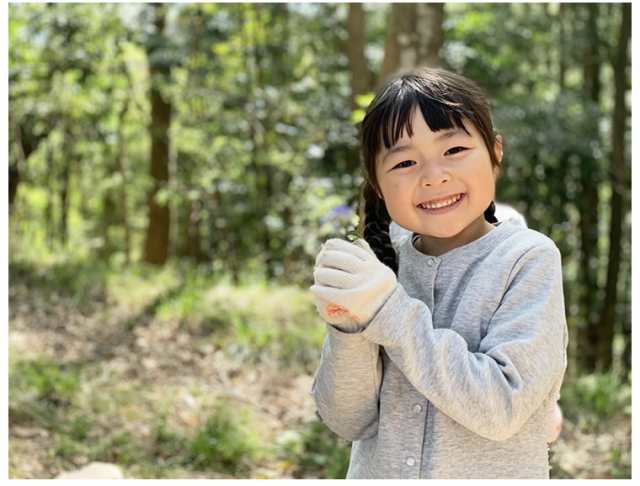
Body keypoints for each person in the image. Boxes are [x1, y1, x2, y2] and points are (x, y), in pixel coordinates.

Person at [308, 66, 568, 479]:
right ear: (377, 185)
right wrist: (349, 324)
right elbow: (347, 421)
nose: (434, 176)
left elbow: (501, 407)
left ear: (495, 152)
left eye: (454, 151)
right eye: (405, 162)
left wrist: (388, 311)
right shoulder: (379, 265)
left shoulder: (527, 258)